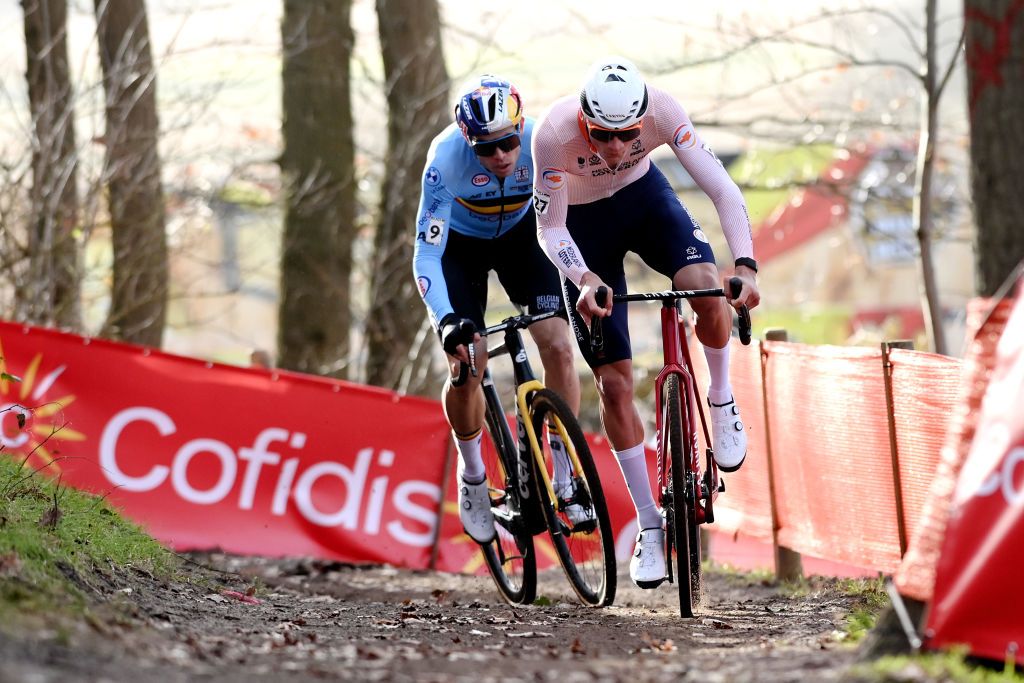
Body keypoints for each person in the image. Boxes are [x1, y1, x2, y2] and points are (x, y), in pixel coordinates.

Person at [531, 57, 761, 589]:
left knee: (705, 283)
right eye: (602, 136)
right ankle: (650, 526)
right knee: (613, 383)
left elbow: (723, 189)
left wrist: (745, 266)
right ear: (584, 120)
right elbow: (549, 227)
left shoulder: (664, 109)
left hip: (644, 200)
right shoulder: (553, 134)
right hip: (583, 233)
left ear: (643, 119)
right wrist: (583, 277)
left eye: (627, 135)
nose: (614, 148)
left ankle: (722, 397)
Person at [413, 75, 580, 545]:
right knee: (469, 361)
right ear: (469, 142)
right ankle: (472, 476)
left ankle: (565, 473)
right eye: (487, 149)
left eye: (508, 142)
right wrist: (447, 321)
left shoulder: (541, 140)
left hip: (523, 240)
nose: (501, 155)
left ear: (520, 128)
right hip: (459, 251)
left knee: (559, 347)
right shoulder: (444, 160)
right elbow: (426, 253)